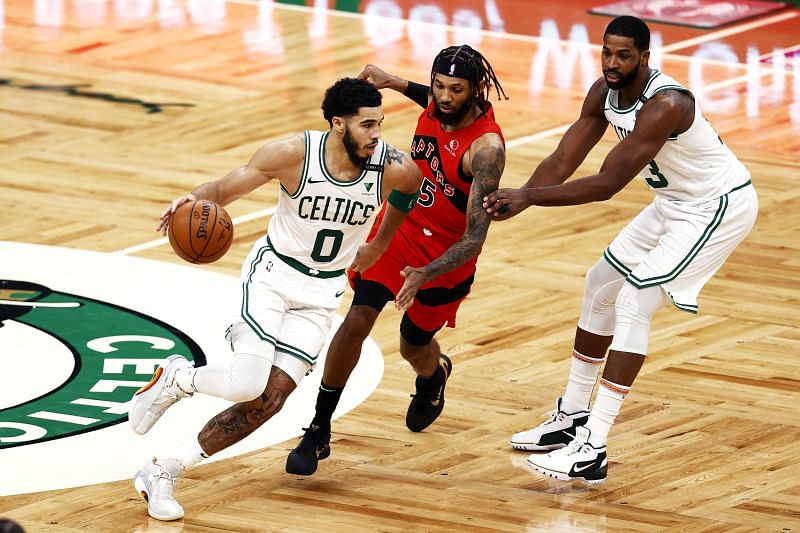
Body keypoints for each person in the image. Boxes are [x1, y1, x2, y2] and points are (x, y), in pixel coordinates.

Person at [128, 77, 422, 521]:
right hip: (272, 277)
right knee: (247, 382)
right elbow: (223, 190)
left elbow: (411, 188)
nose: (376, 134)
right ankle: (177, 379)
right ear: (338, 124)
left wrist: (379, 244)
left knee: (271, 398)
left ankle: (163, 471)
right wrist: (191, 199)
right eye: (366, 125)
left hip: (323, 292)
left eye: (379, 123)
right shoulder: (291, 155)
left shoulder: (391, 164)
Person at [483, 16, 758, 484]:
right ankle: (569, 417)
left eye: (624, 55)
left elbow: (607, 184)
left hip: (716, 207)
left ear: (645, 58)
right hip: (672, 202)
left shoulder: (667, 103)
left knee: (634, 301)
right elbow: (564, 159)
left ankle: (593, 446)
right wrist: (524, 197)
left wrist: (528, 196)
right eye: (607, 52)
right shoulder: (603, 92)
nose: (612, 63)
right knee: (600, 284)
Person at [285, 45, 507, 476]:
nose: (443, 97)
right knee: (357, 319)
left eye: (455, 90)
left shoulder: (486, 151)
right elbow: (430, 96)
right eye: (438, 85)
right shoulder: (439, 104)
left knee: (414, 344)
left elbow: (476, 237)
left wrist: (426, 271)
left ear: (475, 91)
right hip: (398, 234)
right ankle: (318, 427)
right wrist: (391, 81)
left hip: (444, 258)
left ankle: (433, 377)